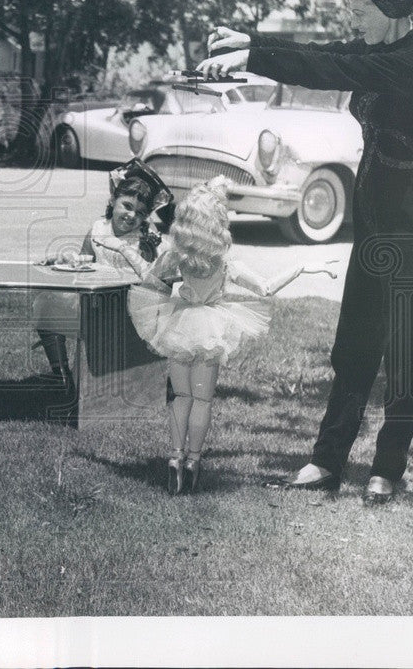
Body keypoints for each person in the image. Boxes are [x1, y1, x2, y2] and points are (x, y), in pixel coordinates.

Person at [196, 0, 413, 503]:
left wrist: (251, 59)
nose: (352, 18)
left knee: (407, 355)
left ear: (389, 12)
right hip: (377, 225)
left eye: (359, 10)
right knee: (354, 348)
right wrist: (253, 40)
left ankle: (387, 467)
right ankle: (326, 461)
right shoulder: (381, 48)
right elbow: (326, 53)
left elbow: (330, 71)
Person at [105, 177, 335, 494]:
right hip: (210, 328)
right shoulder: (224, 262)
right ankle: (193, 461)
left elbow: (148, 277)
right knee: (202, 400)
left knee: (181, 397)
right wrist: (303, 266)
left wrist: (125, 250)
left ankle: (174, 457)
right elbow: (266, 288)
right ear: (217, 225)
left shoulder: (177, 256)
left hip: (180, 323)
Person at [33, 159, 174, 388]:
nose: (131, 216)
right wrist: (64, 260)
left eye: (139, 213)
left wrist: (137, 248)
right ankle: (59, 373)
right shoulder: (98, 229)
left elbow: (151, 278)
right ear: (113, 200)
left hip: (130, 307)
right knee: (46, 303)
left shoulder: (146, 237)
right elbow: (84, 262)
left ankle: (126, 379)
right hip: (95, 301)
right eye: (127, 206)